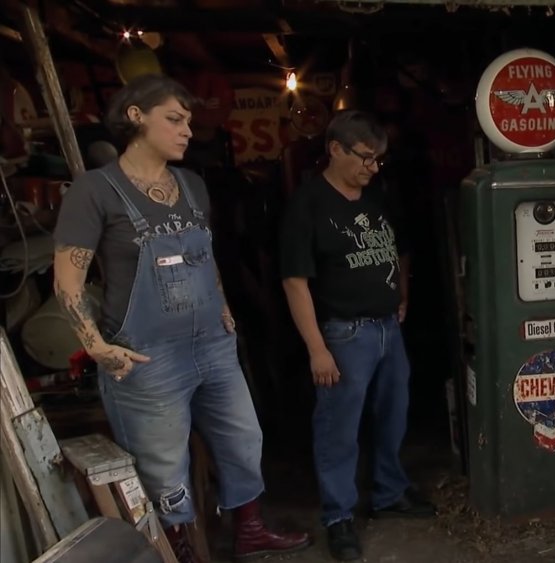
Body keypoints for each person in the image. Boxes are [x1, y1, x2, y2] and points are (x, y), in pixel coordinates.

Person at [52, 74, 311, 563]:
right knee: (163, 465)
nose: (187, 130)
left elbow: (204, 255)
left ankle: (250, 530)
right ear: (136, 117)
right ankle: (179, 550)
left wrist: (226, 309)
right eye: (174, 119)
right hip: (146, 356)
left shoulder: (192, 185)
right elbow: (67, 282)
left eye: (188, 121)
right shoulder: (96, 191)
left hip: (212, 344)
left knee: (243, 438)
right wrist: (96, 345)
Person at [280, 109, 435, 562]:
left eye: (378, 160)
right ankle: (338, 516)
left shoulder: (377, 197)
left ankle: (389, 494)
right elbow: (294, 281)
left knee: (395, 416)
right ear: (335, 149)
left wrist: (401, 293)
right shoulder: (307, 204)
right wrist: (316, 349)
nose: (372, 167)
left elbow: (400, 248)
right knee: (338, 430)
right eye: (365, 158)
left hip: (388, 329)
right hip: (343, 336)